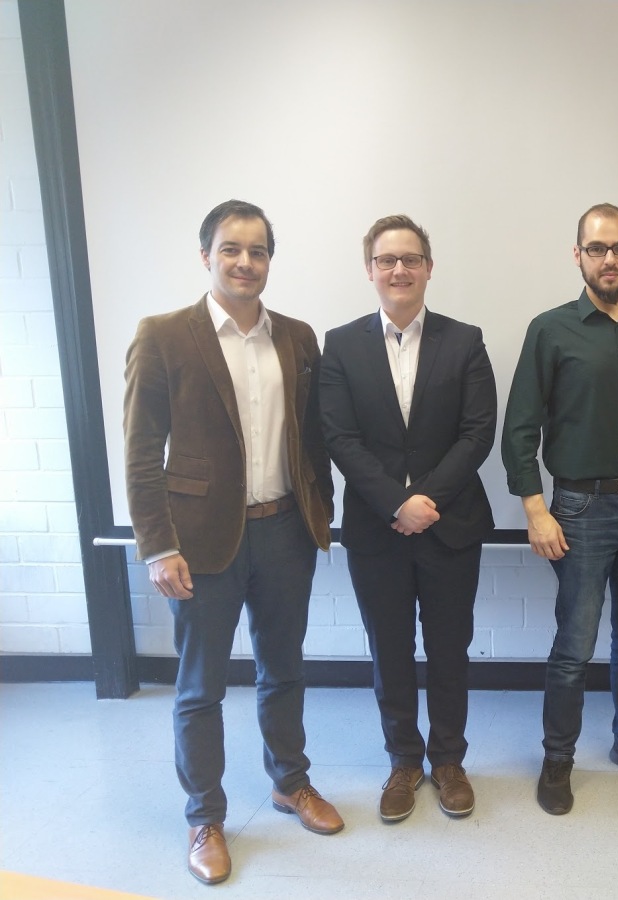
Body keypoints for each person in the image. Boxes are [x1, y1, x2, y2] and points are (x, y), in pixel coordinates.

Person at [124, 200, 342, 886]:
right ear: (206, 256)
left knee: (285, 670)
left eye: (258, 250)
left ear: (270, 260)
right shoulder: (163, 335)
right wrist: (158, 546)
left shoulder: (297, 338)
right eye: (231, 249)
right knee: (200, 688)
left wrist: (320, 513)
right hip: (201, 542)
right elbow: (140, 452)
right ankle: (205, 817)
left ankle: (290, 782)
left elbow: (313, 438)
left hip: (284, 532)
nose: (245, 262)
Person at [501, 203, 618, 815]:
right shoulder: (551, 329)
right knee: (575, 646)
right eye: (597, 248)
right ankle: (558, 757)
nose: (609, 259)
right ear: (578, 254)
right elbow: (520, 427)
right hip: (580, 509)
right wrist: (536, 510)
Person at [320, 215, 496, 823]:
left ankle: (449, 761)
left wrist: (425, 501)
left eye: (411, 259)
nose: (399, 270)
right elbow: (340, 437)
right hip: (376, 529)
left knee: (449, 650)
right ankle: (403, 761)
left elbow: (477, 433)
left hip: (450, 526)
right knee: (389, 650)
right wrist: (396, 503)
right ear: (370, 269)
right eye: (387, 260)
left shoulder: (464, 340)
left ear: (428, 267)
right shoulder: (341, 344)